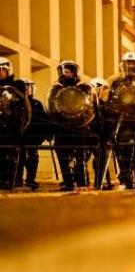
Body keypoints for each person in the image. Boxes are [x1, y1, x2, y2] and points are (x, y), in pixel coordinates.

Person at [101, 52, 135, 189]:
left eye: (133, 63)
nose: (130, 66)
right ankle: (125, 179)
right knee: (122, 150)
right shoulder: (114, 80)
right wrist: (111, 111)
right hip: (119, 120)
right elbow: (105, 97)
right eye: (127, 63)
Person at [48, 60, 96, 191]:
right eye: (63, 72)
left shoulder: (84, 87)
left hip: (80, 127)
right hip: (61, 128)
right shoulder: (56, 89)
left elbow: (89, 105)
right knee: (63, 157)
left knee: (80, 157)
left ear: (74, 73)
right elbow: (51, 107)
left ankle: (82, 182)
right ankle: (68, 182)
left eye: (67, 72)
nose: (64, 74)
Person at [16, 79, 52, 190]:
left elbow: (43, 121)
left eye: (29, 87)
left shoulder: (37, 103)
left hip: (33, 137)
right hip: (19, 137)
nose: (27, 90)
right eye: (25, 87)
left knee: (33, 158)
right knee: (19, 159)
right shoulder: (16, 102)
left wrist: (47, 134)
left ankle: (30, 180)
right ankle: (17, 180)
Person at [0, 57, 29, 190]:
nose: (0, 72)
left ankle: (13, 180)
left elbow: (22, 103)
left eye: (3, 69)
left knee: (12, 154)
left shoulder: (17, 84)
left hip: (12, 126)